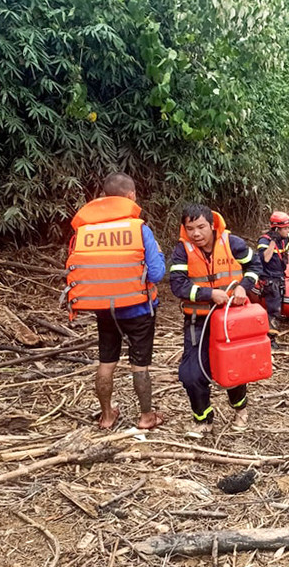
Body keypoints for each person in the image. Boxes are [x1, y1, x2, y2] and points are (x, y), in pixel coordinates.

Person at [63, 172, 166, 430]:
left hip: (104, 311)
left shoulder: (86, 231)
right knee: (139, 366)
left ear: (104, 197)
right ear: (131, 196)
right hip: (138, 310)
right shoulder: (139, 229)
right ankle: (146, 417)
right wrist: (160, 255)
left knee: (106, 363)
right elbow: (156, 274)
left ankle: (107, 416)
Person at [169, 204, 262, 433]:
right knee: (190, 374)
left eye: (201, 227)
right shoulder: (182, 251)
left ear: (211, 225)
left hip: (231, 319)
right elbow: (178, 285)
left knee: (233, 367)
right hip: (198, 320)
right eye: (190, 228)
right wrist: (208, 294)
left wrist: (244, 286)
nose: (196, 233)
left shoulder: (233, 243)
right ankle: (203, 419)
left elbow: (255, 265)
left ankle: (240, 410)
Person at [257, 211, 289, 340]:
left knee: (278, 307)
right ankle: (270, 339)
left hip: (279, 276)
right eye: (285, 228)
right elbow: (265, 258)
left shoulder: (285, 239)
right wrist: (273, 242)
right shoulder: (264, 241)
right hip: (269, 278)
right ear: (277, 229)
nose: (288, 231)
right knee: (273, 310)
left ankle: (273, 331)